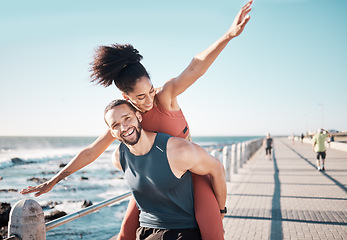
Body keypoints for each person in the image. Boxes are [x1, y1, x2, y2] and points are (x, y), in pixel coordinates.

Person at [21, 1, 253, 239]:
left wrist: (229, 35)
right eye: (141, 96)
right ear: (126, 96)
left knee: (213, 234)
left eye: (150, 90)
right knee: (124, 234)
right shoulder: (128, 117)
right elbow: (91, 151)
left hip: (191, 175)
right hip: (157, 181)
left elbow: (195, 67)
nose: (149, 99)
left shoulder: (165, 95)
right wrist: (55, 180)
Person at [104, 99, 227, 239]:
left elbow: (217, 167)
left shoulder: (178, 151)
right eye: (116, 125)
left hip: (182, 231)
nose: (124, 127)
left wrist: (221, 209)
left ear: (138, 116)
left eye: (127, 118)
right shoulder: (118, 158)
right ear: (112, 133)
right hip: (146, 231)